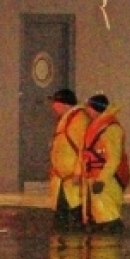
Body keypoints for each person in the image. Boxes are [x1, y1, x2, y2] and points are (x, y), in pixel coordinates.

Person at [81, 93, 126, 231]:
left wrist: (102, 180)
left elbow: (114, 158)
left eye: (88, 107)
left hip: (106, 181)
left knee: (109, 217)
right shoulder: (99, 125)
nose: (87, 111)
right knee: (101, 217)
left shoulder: (111, 129)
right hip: (96, 178)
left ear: (95, 108)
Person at [47, 88, 89, 228]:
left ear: (63, 104)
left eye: (55, 103)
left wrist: (78, 172)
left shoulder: (79, 119)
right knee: (62, 219)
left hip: (72, 181)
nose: (53, 106)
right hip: (62, 181)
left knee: (72, 219)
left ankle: (72, 247)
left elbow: (84, 148)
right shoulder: (66, 119)